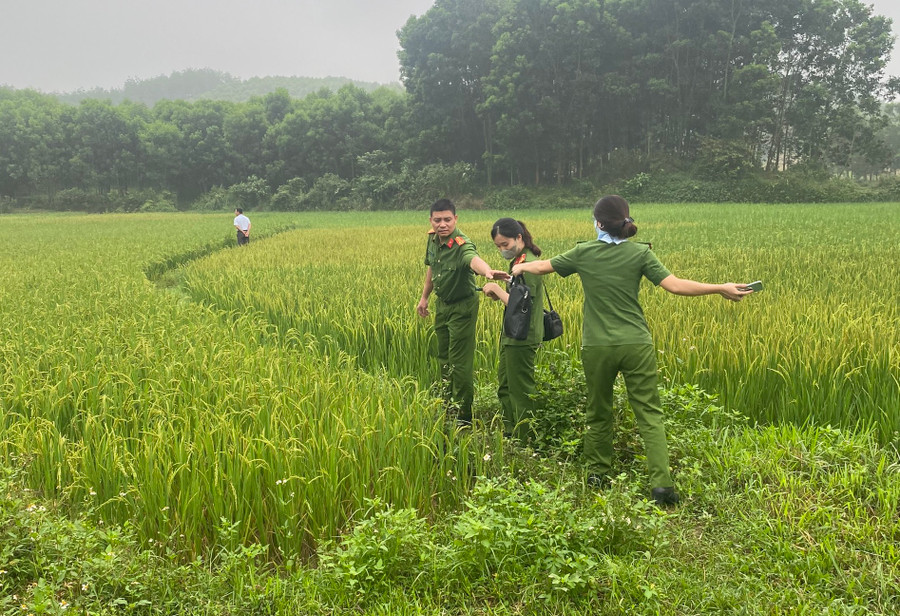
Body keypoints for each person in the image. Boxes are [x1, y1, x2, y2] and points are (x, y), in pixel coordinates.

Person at [511, 195, 752, 506]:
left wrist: (518, 269)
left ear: (598, 223)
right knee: (650, 414)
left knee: (598, 410)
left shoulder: (583, 252)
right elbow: (676, 285)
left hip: (597, 346)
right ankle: (662, 487)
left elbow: (542, 267)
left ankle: (597, 475)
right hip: (636, 344)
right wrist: (721, 287)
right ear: (625, 220)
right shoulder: (640, 254)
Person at [417, 199, 509, 425]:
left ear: (455, 219)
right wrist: (425, 297)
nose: (442, 224)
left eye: (447, 219)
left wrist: (487, 272)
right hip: (443, 305)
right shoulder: (432, 239)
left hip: (463, 307)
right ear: (431, 221)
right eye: (437, 220)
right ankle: (449, 406)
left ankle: (463, 416)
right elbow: (432, 267)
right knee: (444, 359)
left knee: (459, 363)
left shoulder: (461, 244)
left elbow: (473, 259)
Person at [481, 218, 544, 439]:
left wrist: (498, 291)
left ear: (519, 238)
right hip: (512, 334)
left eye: (505, 244)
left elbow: (526, 303)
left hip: (523, 336)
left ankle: (526, 439)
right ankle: (511, 433)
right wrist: (506, 281)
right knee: (506, 385)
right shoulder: (518, 261)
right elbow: (517, 296)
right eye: (498, 246)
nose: (502, 250)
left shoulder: (529, 263)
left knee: (521, 390)